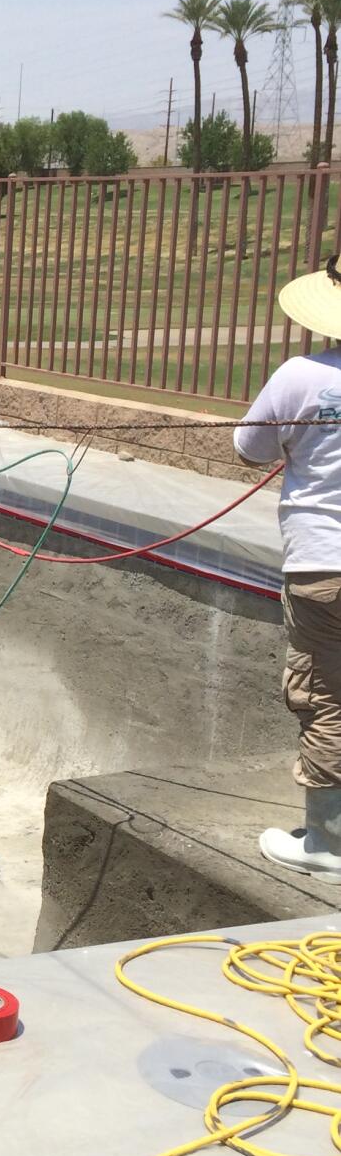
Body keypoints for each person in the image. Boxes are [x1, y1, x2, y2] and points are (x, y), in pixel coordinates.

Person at [236, 256, 341, 876]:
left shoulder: (302, 375)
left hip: (323, 563)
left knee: (326, 697)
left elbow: (250, 448)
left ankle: (327, 844)